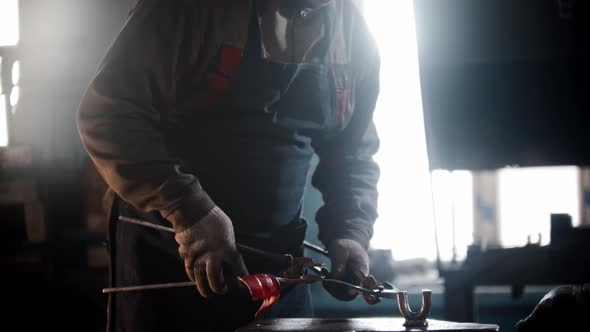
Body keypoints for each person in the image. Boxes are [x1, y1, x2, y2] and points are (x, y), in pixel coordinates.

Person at [77, 0, 380, 331]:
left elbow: (352, 153)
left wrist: (351, 231)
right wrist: (189, 211)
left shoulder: (350, 29)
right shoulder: (186, 10)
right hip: (171, 265)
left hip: (282, 273)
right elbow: (108, 117)